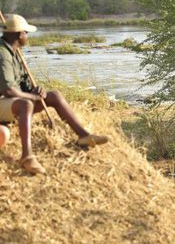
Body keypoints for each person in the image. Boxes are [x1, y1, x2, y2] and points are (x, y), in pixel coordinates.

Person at [0, 14, 108, 174]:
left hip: (12, 102)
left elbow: (24, 86)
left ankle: (84, 135)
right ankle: (27, 156)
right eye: (26, 33)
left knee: (54, 95)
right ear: (19, 34)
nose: (27, 36)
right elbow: (8, 90)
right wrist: (32, 97)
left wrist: (36, 91)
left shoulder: (15, 53)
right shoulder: (2, 53)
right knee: (26, 104)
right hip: (4, 101)